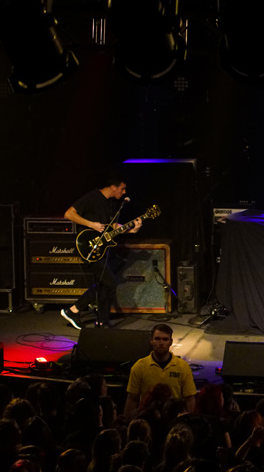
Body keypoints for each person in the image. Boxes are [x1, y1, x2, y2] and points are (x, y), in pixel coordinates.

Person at [60, 175, 142, 330]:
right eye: (122, 188)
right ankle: (74, 310)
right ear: (113, 186)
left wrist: (132, 229)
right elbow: (69, 214)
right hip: (88, 247)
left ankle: (102, 322)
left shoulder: (111, 203)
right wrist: (91, 224)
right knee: (110, 283)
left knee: (105, 284)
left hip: (101, 248)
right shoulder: (92, 197)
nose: (124, 192)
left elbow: (112, 226)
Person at [123, 324, 196, 419]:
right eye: (157, 339)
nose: (161, 343)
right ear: (151, 341)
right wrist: (128, 421)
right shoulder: (139, 367)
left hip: (173, 420)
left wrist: (187, 421)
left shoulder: (183, 367)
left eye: (165, 339)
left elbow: (189, 398)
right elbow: (132, 399)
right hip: (147, 419)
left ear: (171, 342)